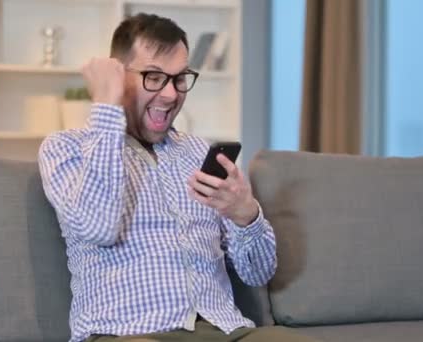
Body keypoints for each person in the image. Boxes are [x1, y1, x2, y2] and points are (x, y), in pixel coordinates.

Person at [39, 13, 316, 342]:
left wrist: (246, 215)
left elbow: (258, 273)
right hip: (129, 332)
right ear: (118, 75)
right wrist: (106, 107)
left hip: (224, 329)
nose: (171, 94)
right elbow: (98, 227)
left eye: (179, 78)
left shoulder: (201, 154)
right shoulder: (66, 149)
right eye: (154, 77)